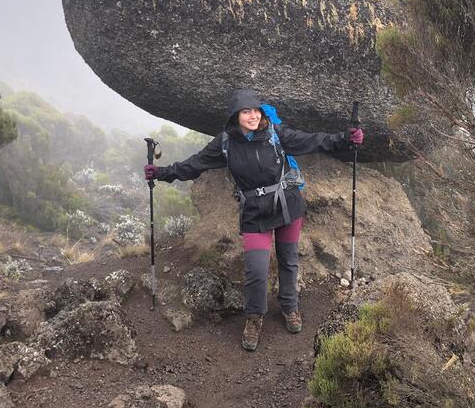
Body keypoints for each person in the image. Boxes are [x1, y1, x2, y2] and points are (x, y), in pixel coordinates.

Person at [144, 89, 364, 351]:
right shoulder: (225, 143)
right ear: (235, 115)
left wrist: (346, 139)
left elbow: (314, 141)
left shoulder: (275, 134)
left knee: (288, 260)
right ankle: (254, 317)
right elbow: (195, 164)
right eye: (246, 111)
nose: (253, 116)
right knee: (256, 270)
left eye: (256, 110)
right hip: (254, 212)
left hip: (287, 205)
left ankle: (290, 307)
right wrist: (162, 172)